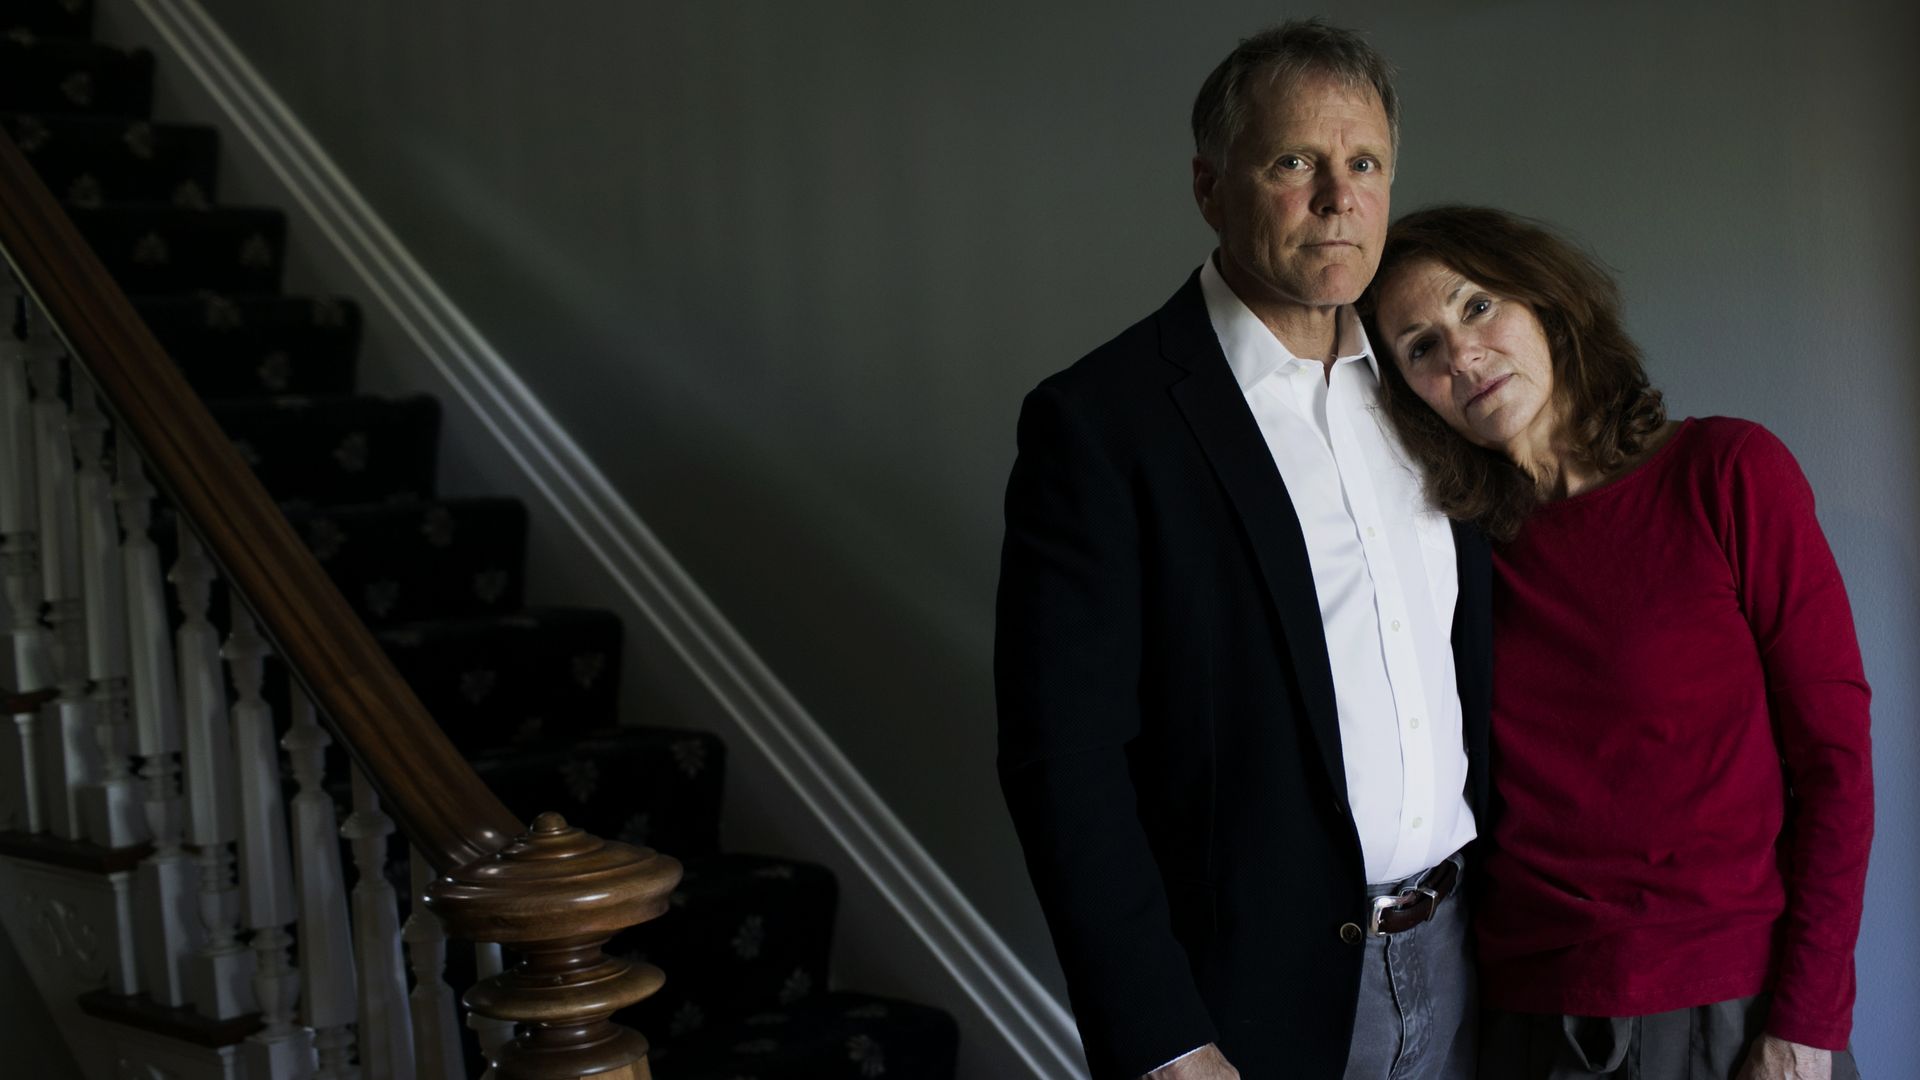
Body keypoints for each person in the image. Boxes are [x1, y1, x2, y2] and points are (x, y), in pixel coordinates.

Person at [996, 22, 1488, 1080]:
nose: (1337, 197)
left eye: (1363, 165)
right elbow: (1063, 761)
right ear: (1209, 186)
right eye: (1293, 163)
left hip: (1466, 959)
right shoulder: (1102, 423)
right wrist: (1163, 1037)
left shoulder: (1431, 390)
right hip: (1251, 1000)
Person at [1361, 205, 1872, 1080]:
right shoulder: (1448, 559)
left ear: (1546, 303)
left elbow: (1836, 762)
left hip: (1728, 1013)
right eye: (1420, 348)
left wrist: (1807, 1022)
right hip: (1526, 1021)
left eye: (1476, 307)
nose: (1463, 357)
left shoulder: (1728, 475)